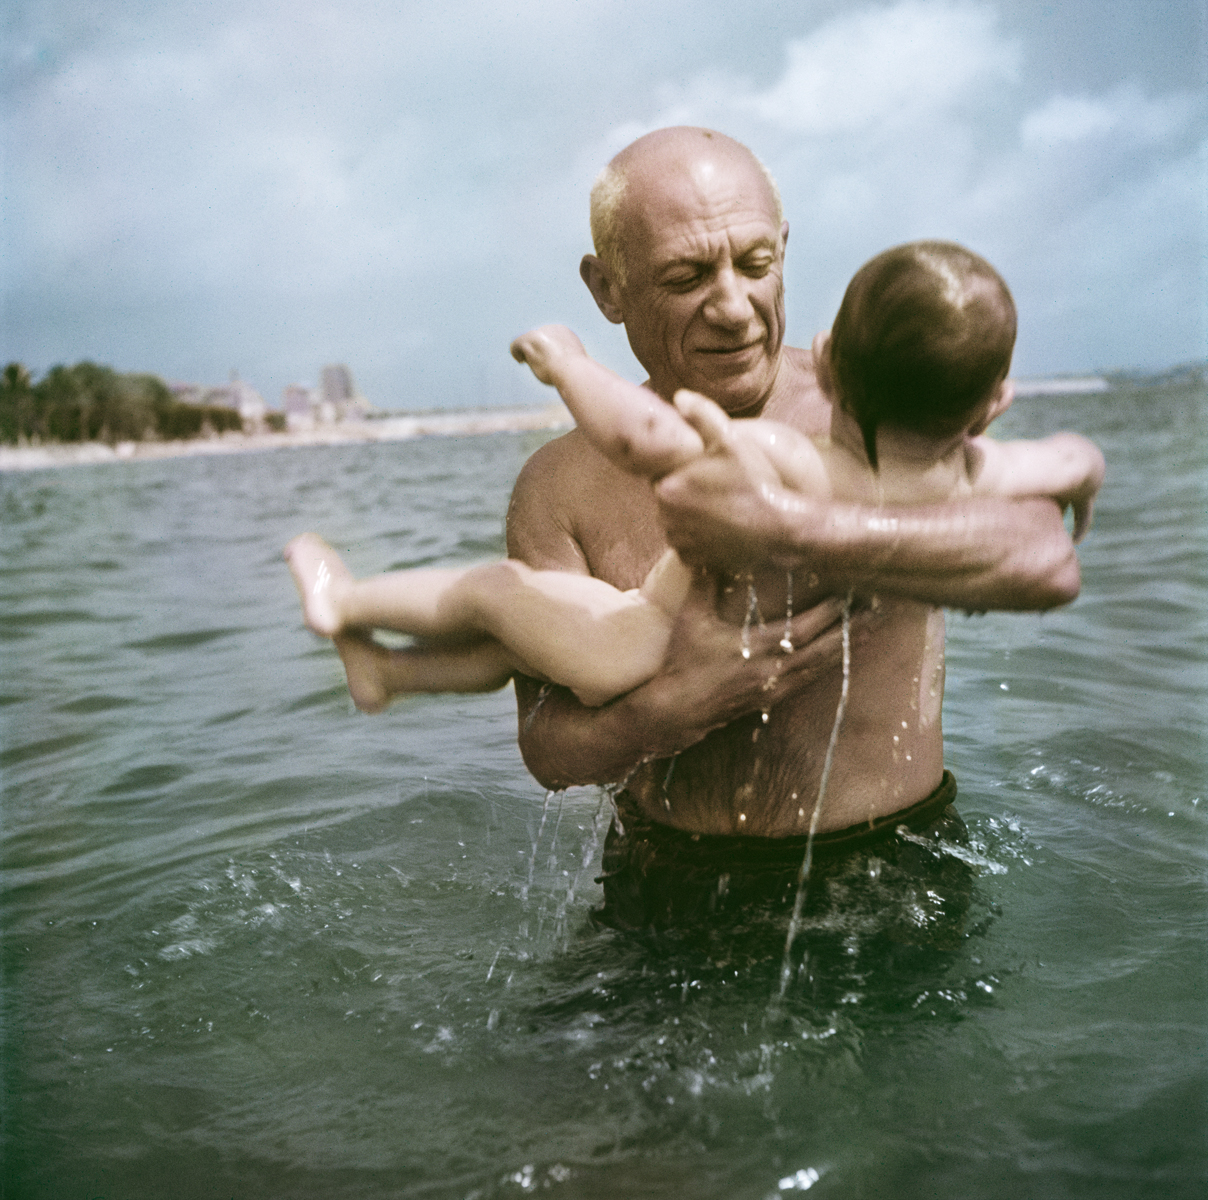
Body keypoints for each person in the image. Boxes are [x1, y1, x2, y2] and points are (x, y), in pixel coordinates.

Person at [501, 127, 1094, 929]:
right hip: (665, 877)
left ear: (784, 250)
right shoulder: (560, 485)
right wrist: (676, 707)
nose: (733, 306)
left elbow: (1043, 559)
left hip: (892, 865)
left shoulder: (882, 408)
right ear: (608, 289)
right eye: (686, 276)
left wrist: (798, 528)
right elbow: (545, 746)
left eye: (754, 264)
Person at [284, 244, 1101, 747]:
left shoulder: (786, 460)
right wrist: (1082, 465)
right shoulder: (975, 475)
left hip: (636, 645)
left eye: (755, 264)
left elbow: (644, 439)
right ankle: (387, 675)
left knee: (497, 593)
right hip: (644, 676)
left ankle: (348, 598)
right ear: (994, 404)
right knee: (509, 642)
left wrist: (570, 366)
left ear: (831, 359)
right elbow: (1061, 459)